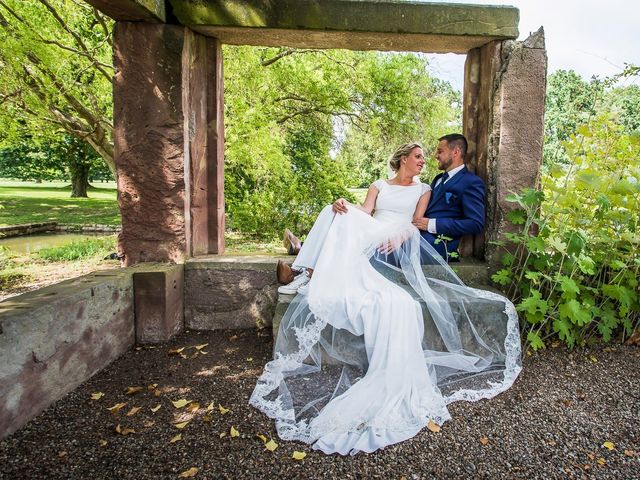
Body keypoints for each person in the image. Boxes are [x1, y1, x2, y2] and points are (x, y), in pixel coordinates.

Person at [250, 141, 521, 455]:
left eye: (427, 156)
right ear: (404, 159)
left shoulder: (424, 190)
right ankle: (305, 269)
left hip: (394, 236)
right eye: (418, 156)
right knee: (335, 210)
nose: (424, 161)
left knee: (364, 255)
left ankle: (303, 268)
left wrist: (402, 235)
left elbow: (414, 223)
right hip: (372, 228)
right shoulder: (378, 185)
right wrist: (343, 205)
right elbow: (365, 212)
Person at [412, 133, 485, 261]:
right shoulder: (438, 179)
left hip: (439, 245)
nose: (436, 156)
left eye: (440, 151)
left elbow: (476, 223)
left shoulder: (471, 182)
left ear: (455, 152)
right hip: (417, 235)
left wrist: (432, 224)